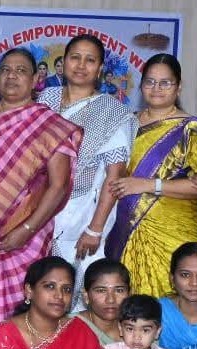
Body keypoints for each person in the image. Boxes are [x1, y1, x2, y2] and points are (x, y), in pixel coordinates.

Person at [106, 53, 197, 305]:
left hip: (176, 234)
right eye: (150, 82)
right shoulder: (126, 124)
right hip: (127, 232)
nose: (156, 89)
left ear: (178, 87)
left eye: (165, 83)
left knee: (176, 304)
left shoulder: (191, 129)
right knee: (134, 309)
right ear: (141, 86)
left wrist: (150, 185)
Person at [0, 48, 79, 326]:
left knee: (19, 311)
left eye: (20, 71)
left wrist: (26, 230)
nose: (11, 76)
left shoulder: (51, 126)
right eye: (5, 70)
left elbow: (58, 187)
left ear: (35, 80)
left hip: (25, 236)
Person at [40, 34, 134, 295]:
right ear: (64, 62)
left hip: (81, 214)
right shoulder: (46, 99)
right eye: (75, 58)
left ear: (100, 68)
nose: (81, 66)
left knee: (74, 288)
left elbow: (114, 176)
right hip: (39, 208)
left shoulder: (112, 112)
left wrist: (95, 229)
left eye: (90, 60)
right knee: (40, 286)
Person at [75, 258, 130, 345]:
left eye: (119, 290)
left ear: (129, 294)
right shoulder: (68, 327)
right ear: (86, 296)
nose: (111, 300)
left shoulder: (141, 331)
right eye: (101, 291)